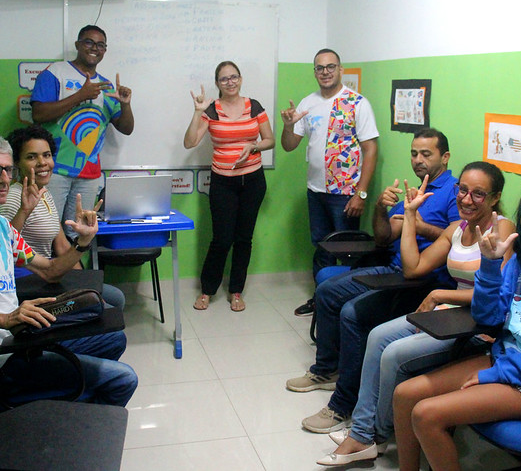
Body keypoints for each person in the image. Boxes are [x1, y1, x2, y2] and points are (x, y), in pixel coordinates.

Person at [392, 174, 521, 471]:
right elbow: (488, 317)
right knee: (405, 395)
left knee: (426, 414)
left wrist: (496, 374)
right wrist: (490, 266)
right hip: (505, 362)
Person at [0, 135, 138, 407]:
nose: (4, 179)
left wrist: (83, 241)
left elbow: (51, 271)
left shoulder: (2, 226)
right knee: (123, 378)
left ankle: (60, 403)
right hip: (0, 359)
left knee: (112, 339)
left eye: (8, 170)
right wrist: (5, 319)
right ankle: (64, 417)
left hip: (23, 340)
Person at [318, 161, 513, 465]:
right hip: (450, 315)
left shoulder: (503, 229)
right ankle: (362, 431)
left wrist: (439, 294)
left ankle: (372, 435)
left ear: (494, 198)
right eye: (462, 190)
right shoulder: (455, 229)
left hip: (479, 325)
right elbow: (413, 267)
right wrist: (409, 215)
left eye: (478, 194)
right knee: (378, 336)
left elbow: (501, 294)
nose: (466, 199)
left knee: (394, 354)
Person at [287, 129, 460, 433]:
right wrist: (381, 209)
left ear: (445, 157)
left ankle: (343, 407)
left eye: (426, 154)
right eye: (414, 153)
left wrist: (418, 224)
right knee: (326, 290)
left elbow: (458, 240)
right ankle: (327, 370)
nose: (418, 160)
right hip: (392, 269)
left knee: (352, 312)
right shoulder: (411, 189)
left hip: (424, 282)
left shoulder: (454, 193)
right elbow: (383, 237)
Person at [280, 49, 379, 317]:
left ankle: (350, 306)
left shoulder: (357, 103)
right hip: (316, 191)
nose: (325, 72)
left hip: (346, 193)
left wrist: (362, 194)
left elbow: (371, 149)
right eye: (319, 68)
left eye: (330, 67)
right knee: (321, 247)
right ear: (314, 71)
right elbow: (289, 146)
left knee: (348, 251)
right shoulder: (307, 103)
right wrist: (288, 126)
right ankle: (321, 300)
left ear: (340, 69)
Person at [0, 125, 126, 310]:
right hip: (29, 284)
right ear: (16, 162)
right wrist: (88, 297)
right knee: (107, 309)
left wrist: (85, 287)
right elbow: (4, 248)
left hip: (52, 274)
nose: (42, 162)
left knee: (116, 297)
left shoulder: (43, 192)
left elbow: (63, 246)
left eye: (47, 155)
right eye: (31, 157)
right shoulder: (13, 199)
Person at [184, 61, 274, 312]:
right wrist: (197, 112)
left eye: (234, 77)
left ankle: (236, 291)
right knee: (222, 239)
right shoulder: (211, 110)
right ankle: (207, 290)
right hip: (223, 182)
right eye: (224, 79)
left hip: (253, 181)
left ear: (241, 79)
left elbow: (270, 140)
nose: (230, 82)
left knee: (244, 239)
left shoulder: (254, 106)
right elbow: (190, 143)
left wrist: (253, 146)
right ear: (217, 83)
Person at [31, 24, 134, 239]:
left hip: (89, 174)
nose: (94, 48)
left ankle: (74, 272)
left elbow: (126, 128)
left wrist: (125, 104)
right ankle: (49, 273)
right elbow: (38, 114)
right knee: (45, 231)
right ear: (78, 45)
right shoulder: (55, 73)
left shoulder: (106, 86)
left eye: (100, 45)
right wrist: (80, 95)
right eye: (89, 42)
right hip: (54, 169)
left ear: (105, 50)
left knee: (79, 233)